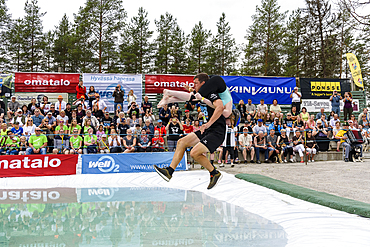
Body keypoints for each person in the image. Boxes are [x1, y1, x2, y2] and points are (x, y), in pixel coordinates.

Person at [154, 73, 225, 190]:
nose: (194, 86)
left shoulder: (211, 93)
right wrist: (169, 100)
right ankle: (169, 172)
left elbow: (220, 107)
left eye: (196, 83)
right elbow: (188, 96)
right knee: (181, 142)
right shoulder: (201, 94)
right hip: (207, 130)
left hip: (217, 131)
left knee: (194, 153)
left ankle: (214, 173)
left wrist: (208, 124)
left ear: (203, 83)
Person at [158, 75, 233, 119]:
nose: (228, 125)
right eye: (230, 123)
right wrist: (216, 108)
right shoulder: (228, 107)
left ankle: (168, 100)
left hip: (215, 83)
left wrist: (190, 89)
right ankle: (168, 92)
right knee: (193, 98)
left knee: (194, 99)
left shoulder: (220, 98)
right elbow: (225, 113)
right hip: (217, 81)